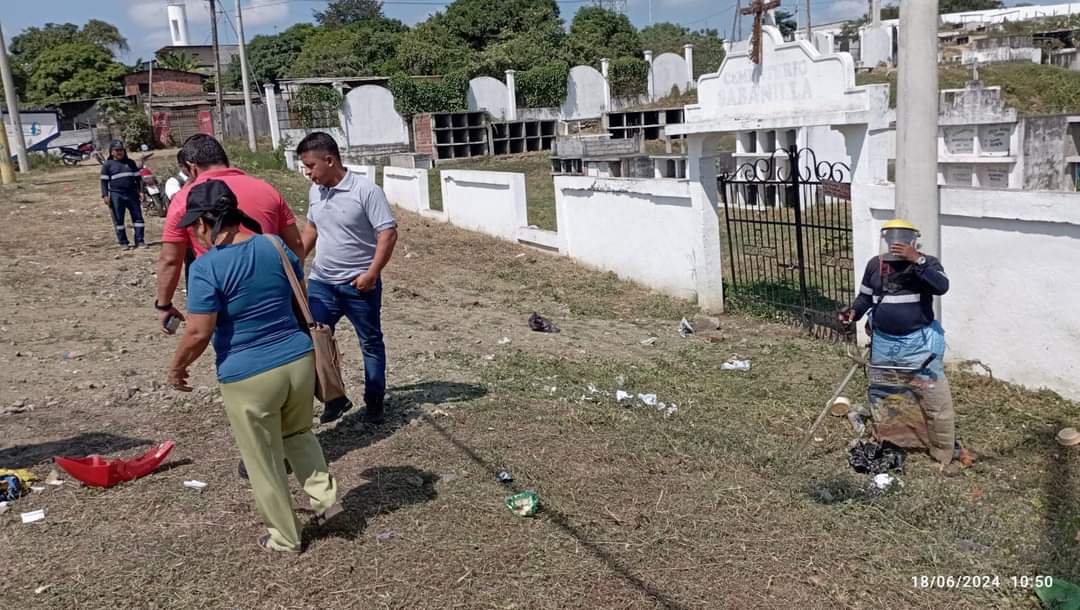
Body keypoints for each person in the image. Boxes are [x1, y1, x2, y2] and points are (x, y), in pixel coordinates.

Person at [166, 179, 340, 552]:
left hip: (249, 375)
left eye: (195, 225)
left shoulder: (206, 268)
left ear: (205, 222)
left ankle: (285, 538)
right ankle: (327, 501)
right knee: (299, 434)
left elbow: (198, 331)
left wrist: (177, 367)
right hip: (298, 361)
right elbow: (299, 297)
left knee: (263, 459)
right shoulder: (275, 245)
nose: (194, 233)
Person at [839, 219, 963, 473]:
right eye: (891, 238)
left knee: (934, 398)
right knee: (885, 395)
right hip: (884, 344)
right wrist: (854, 313)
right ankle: (891, 442)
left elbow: (942, 286)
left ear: (913, 240)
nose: (896, 243)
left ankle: (942, 453)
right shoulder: (875, 265)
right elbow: (865, 298)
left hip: (919, 346)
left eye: (903, 238)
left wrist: (916, 259)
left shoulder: (927, 264)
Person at [297, 132, 398, 425]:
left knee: (370, 342)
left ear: (329, 160)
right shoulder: (316, 191)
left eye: (310, 166)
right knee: (313, 340)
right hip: (322, 283)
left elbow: (387, 233)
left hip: (359, 286)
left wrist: (372, 273)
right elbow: (312, 229)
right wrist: (295, 261)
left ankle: (374, 401)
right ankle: (334, 398)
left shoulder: (366, 191)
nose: (308, 173)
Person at [155, 134, 304, 332]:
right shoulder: (266, 189)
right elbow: (295, 244)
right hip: (274, 289)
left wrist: (164, 304)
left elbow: (171, 259)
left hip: (223, 297)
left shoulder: (186, 199)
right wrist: (294, 282)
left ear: (192, 166)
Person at [100, 139, 145, 250]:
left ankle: (140, 241)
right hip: (116, 195)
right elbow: (104, 182)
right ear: (112, 152)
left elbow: (138, 179)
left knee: (138, 218)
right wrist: (105, 195)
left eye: (121, 150)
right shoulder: (107, 165)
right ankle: (123, 242)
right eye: (117, 150)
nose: (119, 152)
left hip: (132, 194)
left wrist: (141, 191)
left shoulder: (131, 163)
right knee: (119, 220)